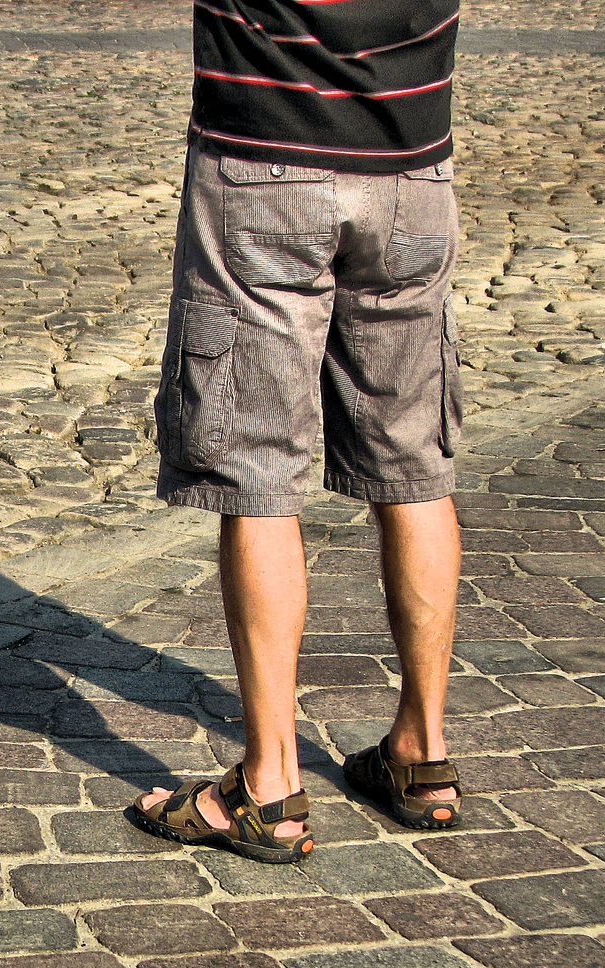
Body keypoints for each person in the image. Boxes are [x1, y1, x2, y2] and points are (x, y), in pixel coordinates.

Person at [131, 0, 465, 862]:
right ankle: (421, 755)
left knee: (254, 472)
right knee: (415, 465)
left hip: (264, 162)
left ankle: (268, 784)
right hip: (412, 172)